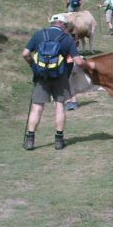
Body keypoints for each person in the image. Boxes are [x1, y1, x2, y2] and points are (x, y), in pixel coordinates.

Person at [22, 14, 86, 150]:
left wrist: (34, 67)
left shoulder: (39, 35)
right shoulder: (66, 39)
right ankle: (58, 140)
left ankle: (30, 140)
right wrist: (88, 64)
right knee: (59, 107)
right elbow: (78, 61)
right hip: (60, 77)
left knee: (37, 108)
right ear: (62, 25)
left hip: (41, 77)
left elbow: (25, 53)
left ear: (52, 23)